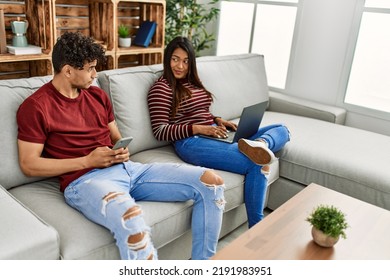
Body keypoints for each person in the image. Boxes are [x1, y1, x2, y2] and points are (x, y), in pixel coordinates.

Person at [16, 32, 225, 260]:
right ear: (67, 70)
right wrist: (88, 161)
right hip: (84, 181)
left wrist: (121, 149)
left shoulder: (97, 95)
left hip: (128, 169)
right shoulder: (36, 107)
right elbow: (29, 164)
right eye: (90, 69)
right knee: (131, 218)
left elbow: (116, 136)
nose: (95, 75)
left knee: (211, 182)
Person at [148, 36, 290, 228]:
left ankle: (261, 144)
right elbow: (160, 131)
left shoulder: (192, 83)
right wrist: (199, 128)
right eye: (175, 59)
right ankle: (257, 229)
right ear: (167, 59)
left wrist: (217, 120)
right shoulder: (161, 88)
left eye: (185, 61)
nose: (180, 66)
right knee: (257, 162)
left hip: (213, 132)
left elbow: (201, 112)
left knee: (282, 129)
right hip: (191, 142)